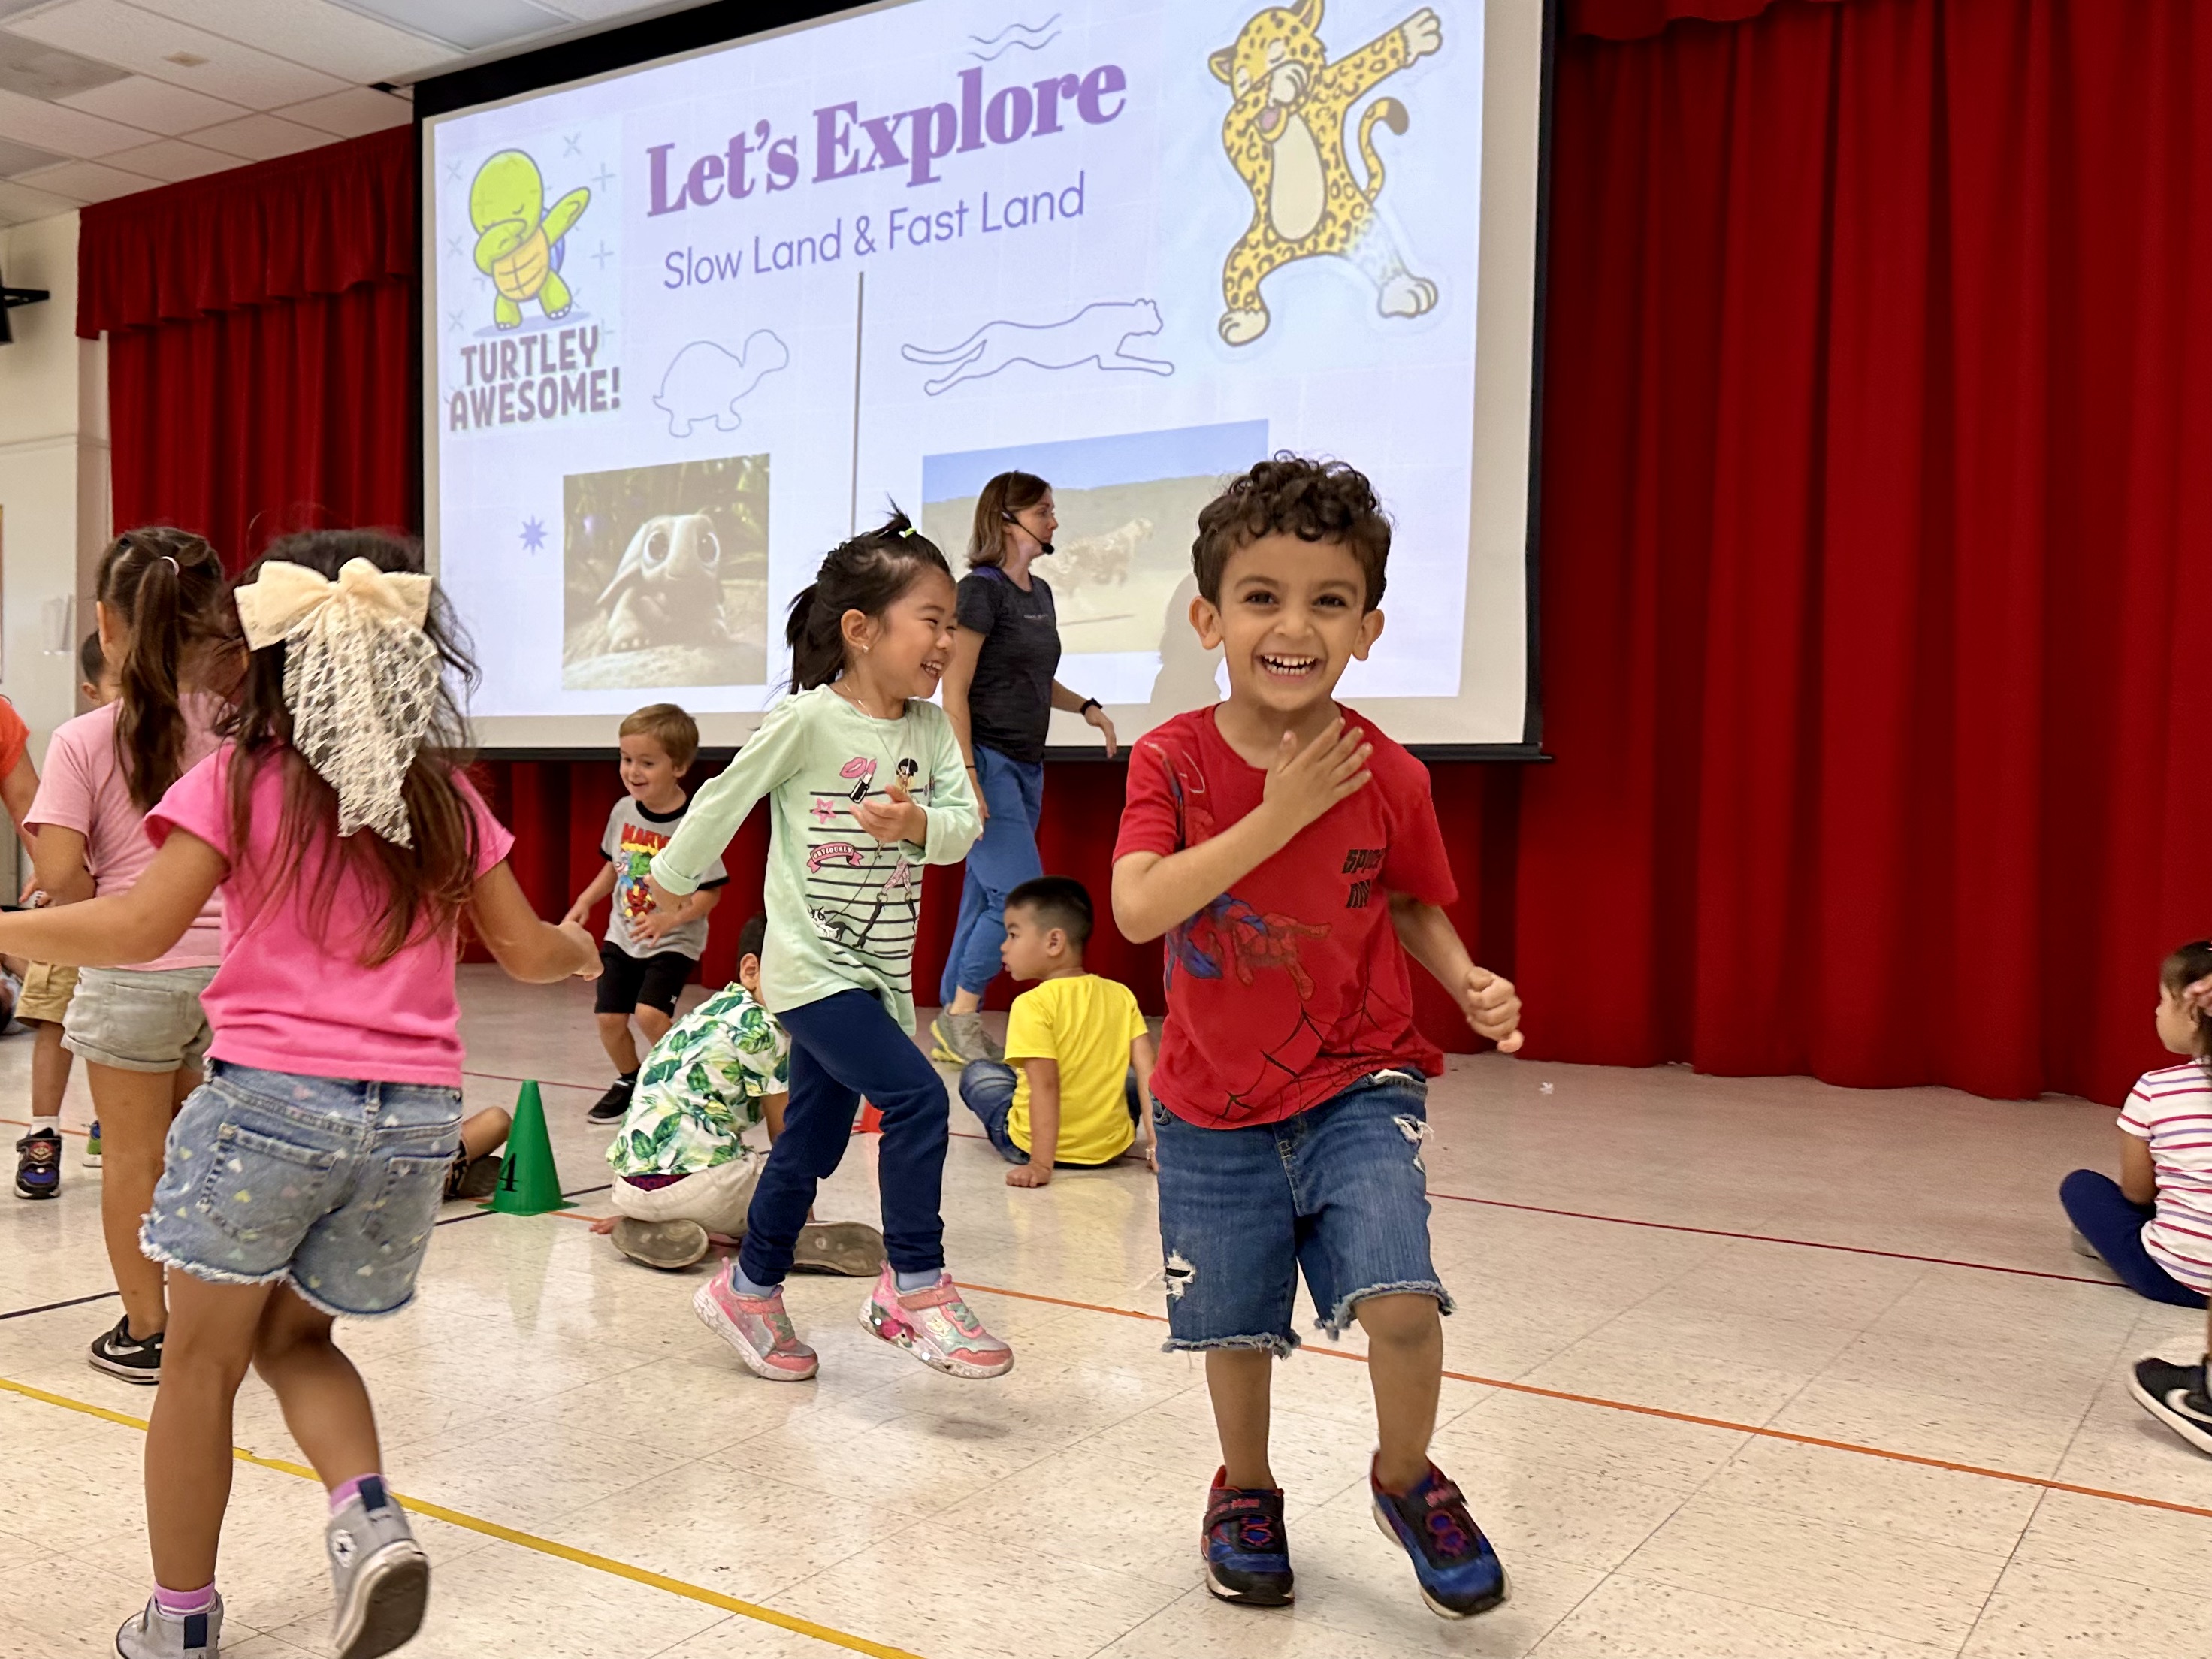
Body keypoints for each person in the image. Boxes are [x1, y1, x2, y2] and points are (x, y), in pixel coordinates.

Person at [0, 529, 600, 1658]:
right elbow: (527, 954)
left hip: (272, 1111)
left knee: (202, 1362)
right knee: (300, 1342)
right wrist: (577, 952)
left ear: (267, 662)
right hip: (416, 1129)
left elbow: (138, 927)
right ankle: (365, 1519)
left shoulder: (237, 777)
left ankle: (180, 1624)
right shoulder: (447, 799)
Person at [1111, 456, 1524, 1619]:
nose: (1294, 626)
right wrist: (1279, 814)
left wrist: (1464, 975)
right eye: (1261, 597)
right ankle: (1245, 1492)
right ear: (1210, 618)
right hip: (1207, 1101)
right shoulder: (1173, 760)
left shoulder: (1387, 772)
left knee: (1401, 1297)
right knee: (1234, 1323)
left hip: (1359, 1078)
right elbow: (1141, 906)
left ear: (1368, 627)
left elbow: (1405, 899)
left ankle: (1406, 1480)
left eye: (1329, 600)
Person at [648, 512, 1011, 1384]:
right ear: (860, 629)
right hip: (811, 969)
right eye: (931, 619)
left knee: (811, 1141)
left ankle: (749, 1285)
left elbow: (963, 829)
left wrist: (915, 819)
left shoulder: (927, 732)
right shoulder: (806, 722)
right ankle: (913, 1285)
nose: (945, 640)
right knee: (919, 1100)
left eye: (952, 623)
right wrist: (675, 874)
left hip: (880, 975)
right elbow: (723, 799)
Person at [26, 530, 230, 1381]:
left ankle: (148, 1331)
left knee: (132, 1162)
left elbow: (62, 876)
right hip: (238, 979)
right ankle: (218, 1325)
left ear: (107, 625)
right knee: (210, 1157)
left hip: (130, 972)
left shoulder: (84, 738)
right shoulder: (251, 729)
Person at [932, 471, 1117, 1066]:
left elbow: (1035, 678)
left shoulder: (1039, 594)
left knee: (984, 899)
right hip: (982, 759)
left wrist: (1085, 707)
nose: (1055, 520)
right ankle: (961, 1015)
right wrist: (966, 776)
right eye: (1044, 511)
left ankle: (947, 1016)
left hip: (1026, 766)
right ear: (1006, 519)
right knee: (1017, 897)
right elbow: (954, 690)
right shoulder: (979, 591)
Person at [597, 911, 884, 1274]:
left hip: (627, 1187)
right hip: (702, 1191)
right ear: (751, 970)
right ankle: (785, 1237)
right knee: (774, 1180)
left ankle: (649, 1221)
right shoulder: (765, 1028)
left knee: (721, 1168)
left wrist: (640, 1202)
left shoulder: (703, 1014)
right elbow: (786, 1135)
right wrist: (802, 1214)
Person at [564, 703, 726, 1123]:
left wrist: (668, 919)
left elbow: (709, 895)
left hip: (673, 939)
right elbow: (611, 866)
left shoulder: (695, 822)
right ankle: (629, 1080)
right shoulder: (622, 811)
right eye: (626, 759)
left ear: (680, 767)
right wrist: (585, 901)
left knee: (651, 1015)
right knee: (609, 1019)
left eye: (647, 763)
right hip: (623, 935)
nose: (633, 771)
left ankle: (683, 1081)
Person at [11, 631, 121, 1198]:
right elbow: (50, 833)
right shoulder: (80, 742)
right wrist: (60, 883)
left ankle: (112, 1124)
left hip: (133, 921)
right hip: (77, 908)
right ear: (90, 690)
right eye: (117, 685)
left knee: (119, 1030)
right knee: (55, 1017)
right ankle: (43, 1131)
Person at [956, 875, 1156, 1185]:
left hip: (1031, 1147)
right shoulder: (1121, 994)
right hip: (1107, 1149)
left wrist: (1040, 1164)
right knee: (1127, 1080)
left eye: (1012, 935)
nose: (1004, 947)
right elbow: (1148, 1073)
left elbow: (1046, 1085)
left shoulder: (1031, 1004)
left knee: (979, 1073)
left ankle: (1040, 1151)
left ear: (1054, 942)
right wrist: (1157, 1147)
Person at [2061, 941, 2212, 1311]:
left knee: (2081, 1186)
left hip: (2177, 1279)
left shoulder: (2153, 1090)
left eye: (2163, 1001)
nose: (2158, 1012)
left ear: (2193, 1013)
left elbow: (2138, 1193)